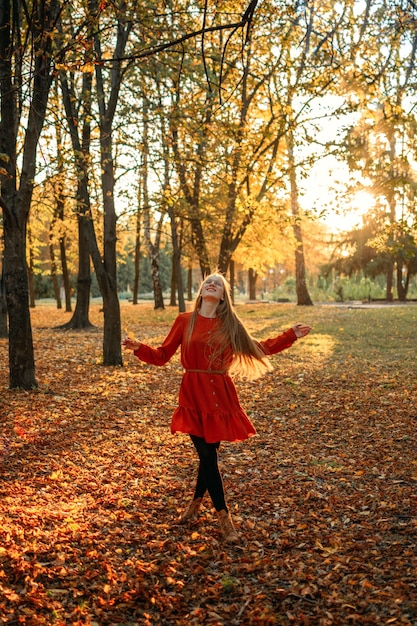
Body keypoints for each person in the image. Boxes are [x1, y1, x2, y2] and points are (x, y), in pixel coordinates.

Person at [122, 273, 311, 544]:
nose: (212, 284)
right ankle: (225, 519)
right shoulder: (185, 320)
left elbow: (261, 348)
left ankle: (195, 503)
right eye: (208, 281)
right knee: (208, 457)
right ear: (201, 290)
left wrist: (290, 335)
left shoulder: (230, 324)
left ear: (223, 295)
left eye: (218, 283)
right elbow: (163, 356)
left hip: (220, 396)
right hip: (192, 394)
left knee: (208, 456)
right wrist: (140, 348)